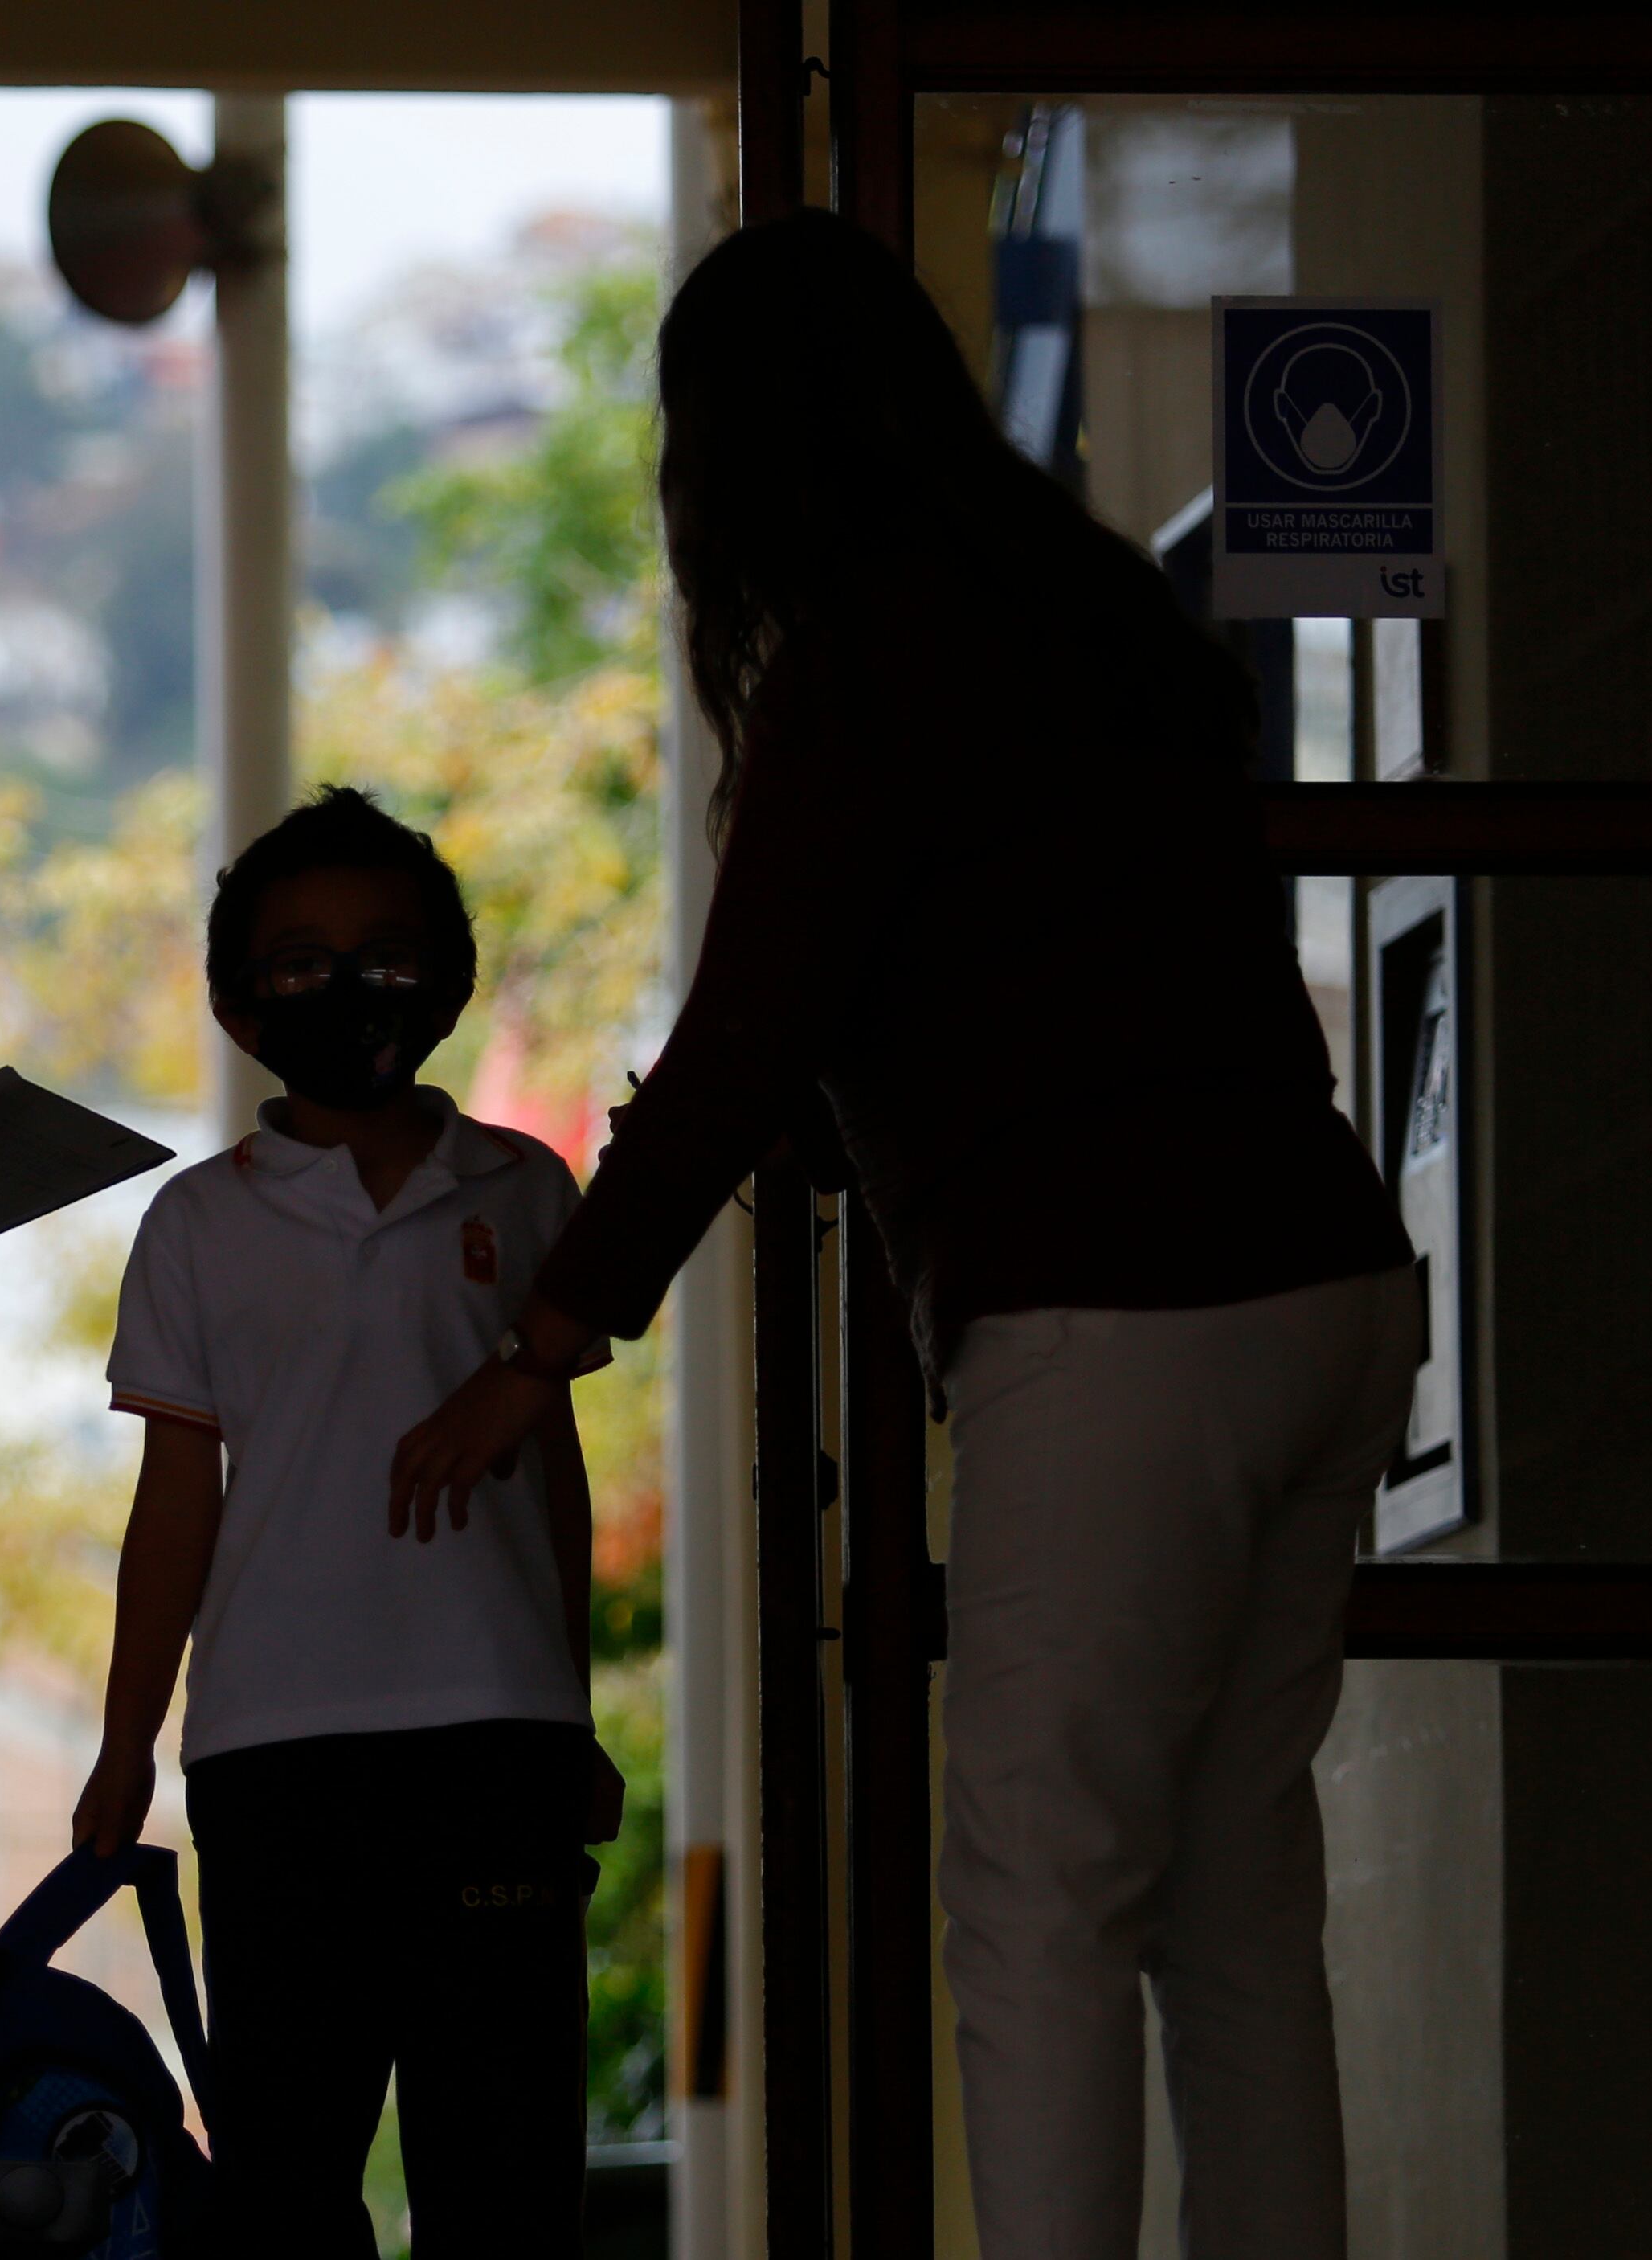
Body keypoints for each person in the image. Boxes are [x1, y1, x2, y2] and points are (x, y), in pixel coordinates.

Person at [388, 211, 1417, 2260]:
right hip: (1326, 1279)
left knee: (1039, 1896)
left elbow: (752, 1026)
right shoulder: (1095, 615)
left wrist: (548, 1339)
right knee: (1231, 1901)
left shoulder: (868, 646)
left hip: (1113, 1311)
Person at [70, 786, 624, 2260]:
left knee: (505, 2178)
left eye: (384, 950)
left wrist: (568, 1712)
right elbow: (175, 1502)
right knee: (286, 2186)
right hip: (271, 1754)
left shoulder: (527, 1185)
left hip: (497, 1738)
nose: (347, 984)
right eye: (300, 958)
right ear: (239, 1004)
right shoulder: (197, 1222)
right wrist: (126, 1743)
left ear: (448, 976)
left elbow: (550, 1464)